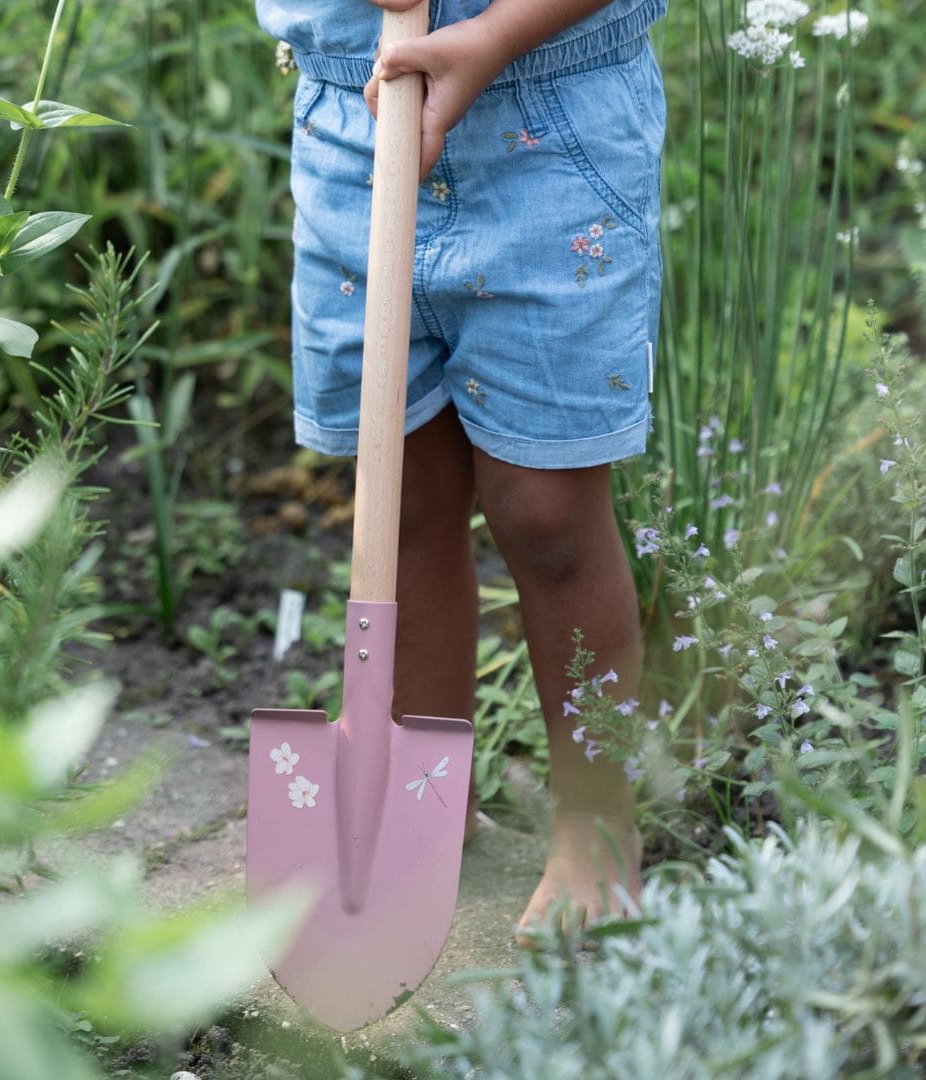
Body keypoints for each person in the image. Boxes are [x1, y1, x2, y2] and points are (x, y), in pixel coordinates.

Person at [255, 0, 666, 939]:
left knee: (547, 510)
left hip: (553, 129)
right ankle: (418, 805)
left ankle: (597, 820)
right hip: (352, 126)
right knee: (399, 495)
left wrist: (490, 35)